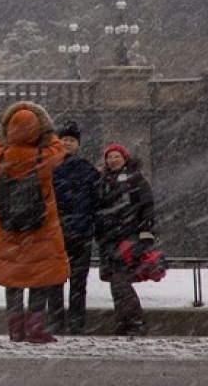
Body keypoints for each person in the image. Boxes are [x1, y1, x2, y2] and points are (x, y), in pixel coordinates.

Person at [0, 101, 68, 344]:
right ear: (39, 130)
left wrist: (8, 130)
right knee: (38, 278)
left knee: (13, 281)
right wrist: (44, 125)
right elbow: (58, 147)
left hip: (9, 228)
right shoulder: (44, 156)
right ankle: (35, 329)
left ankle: (16, 330)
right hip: (39, 226)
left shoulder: (2, 156)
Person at [94, 142, 157, 336]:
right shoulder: (102, 180)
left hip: (127, 238)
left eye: (116, 157)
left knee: (121, 281)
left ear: (124, 158)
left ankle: (135, 321)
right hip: (108, 238)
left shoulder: (135, 180)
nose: (113, 160)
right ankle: (124, 321)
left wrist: (145, 232)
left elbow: (147, 206)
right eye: (109, 157)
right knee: (115, 282)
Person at [46, 120, 98, 334]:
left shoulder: (87, 168)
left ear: (78, 145)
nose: (68, 143)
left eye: (72, 140)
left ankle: (76, 324)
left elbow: (96, 199)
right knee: (55, 281)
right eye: (64, 139)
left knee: (78, 282)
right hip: (56, 233)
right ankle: (56, 323)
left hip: (80, 232)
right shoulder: (49, 165)